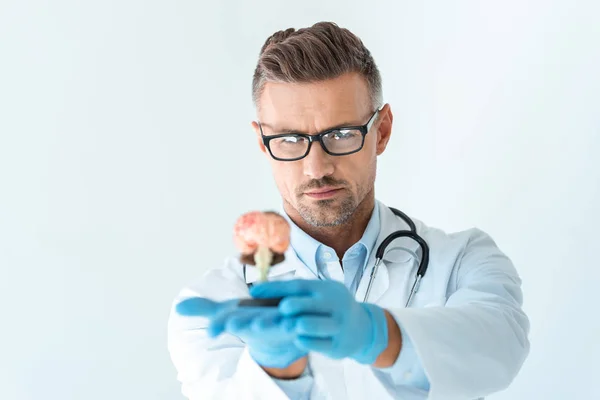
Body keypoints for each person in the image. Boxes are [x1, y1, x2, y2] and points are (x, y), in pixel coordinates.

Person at [167, 21, 530, 400]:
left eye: (340, 135)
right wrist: (277, 369)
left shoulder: (461, 260)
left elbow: (500, 344)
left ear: (382, 131)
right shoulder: (215, 306)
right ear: (262, 141)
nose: (317, 168)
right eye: (290, 139)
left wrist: (377, 333)